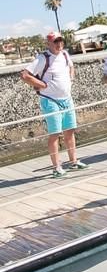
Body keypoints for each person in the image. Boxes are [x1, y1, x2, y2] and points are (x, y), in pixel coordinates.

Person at [20, 32, 88, 177]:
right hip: (50, 100)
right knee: (55, 133)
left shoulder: (64, 54)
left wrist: (71, 78)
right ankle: (56, 167)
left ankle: (73, 161)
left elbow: (71, 66)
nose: (59, 44)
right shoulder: (43, 58)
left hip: (66, 98)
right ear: (49, 43)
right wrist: (41, 85)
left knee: (70, 130)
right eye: (55, 41)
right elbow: (25, 75)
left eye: (60, 41)